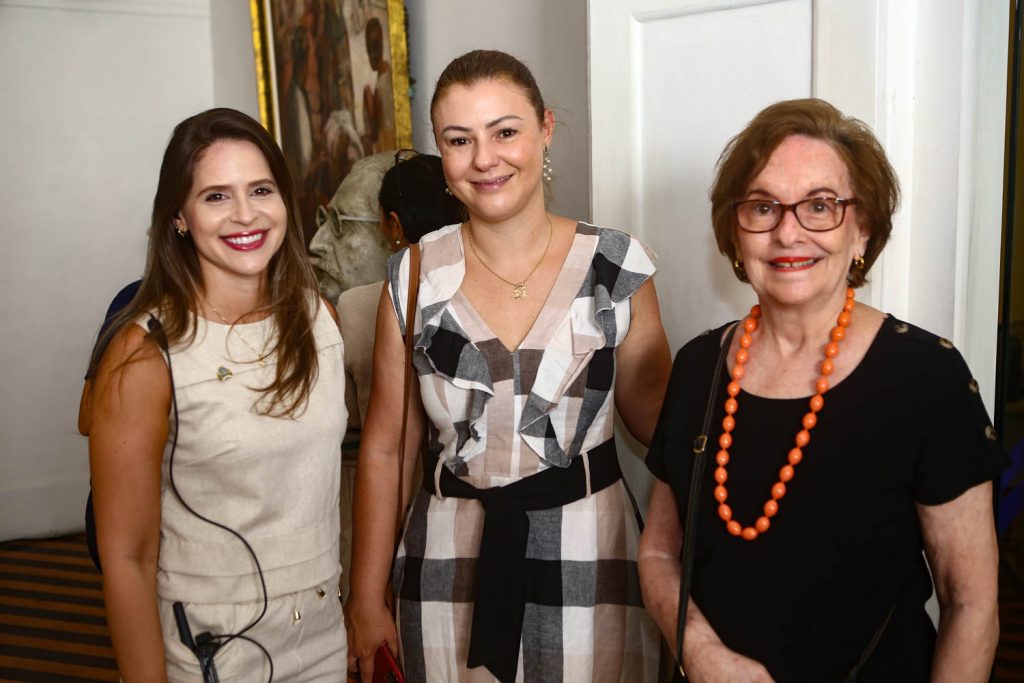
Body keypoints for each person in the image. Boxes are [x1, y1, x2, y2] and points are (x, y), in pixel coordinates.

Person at [639, 98, 1007, 682]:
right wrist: (703, 656)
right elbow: (659, 553)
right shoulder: (697, 367)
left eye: (820, 206)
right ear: (736, 234)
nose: (789, 232)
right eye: (763, 206)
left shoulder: (927, 378)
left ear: (863, 229)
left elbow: (972, 603)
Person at [346, 50, 672, 683]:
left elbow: (659, 424)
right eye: (459, 140)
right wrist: (364, 597)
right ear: (441, 153)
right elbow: (387, 448)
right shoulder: (413, 277)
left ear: (545, 128)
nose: (485, 159)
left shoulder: (618, 266)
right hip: (448, 560)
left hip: (593, 552)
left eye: (505, 131)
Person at [87, 108, 347, 681]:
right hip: (212, 646)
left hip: (324, 633)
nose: (245, 214)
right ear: (179, 216)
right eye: (215, 197)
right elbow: (127, 560)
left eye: (260, 189)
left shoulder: (319, 320)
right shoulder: (143, 356)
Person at [335, 150, 464, 601]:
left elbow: (349, 422)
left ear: (392, 224)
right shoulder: (483, 294)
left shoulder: (356, 306)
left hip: (380, 505)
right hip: (462, 502)